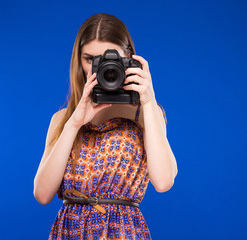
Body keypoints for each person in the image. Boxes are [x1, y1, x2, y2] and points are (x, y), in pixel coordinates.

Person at [33, 13, 178, 240]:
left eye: (110, 59)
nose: (99, 69)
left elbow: (163, 181)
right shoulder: (63, 119)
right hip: (71, 230)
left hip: (122, 232)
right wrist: (74, 123)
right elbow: (42, 194)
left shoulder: (145, 113)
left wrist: (148, 101)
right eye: (90, 59)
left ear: (129, 58)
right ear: (77, 60)